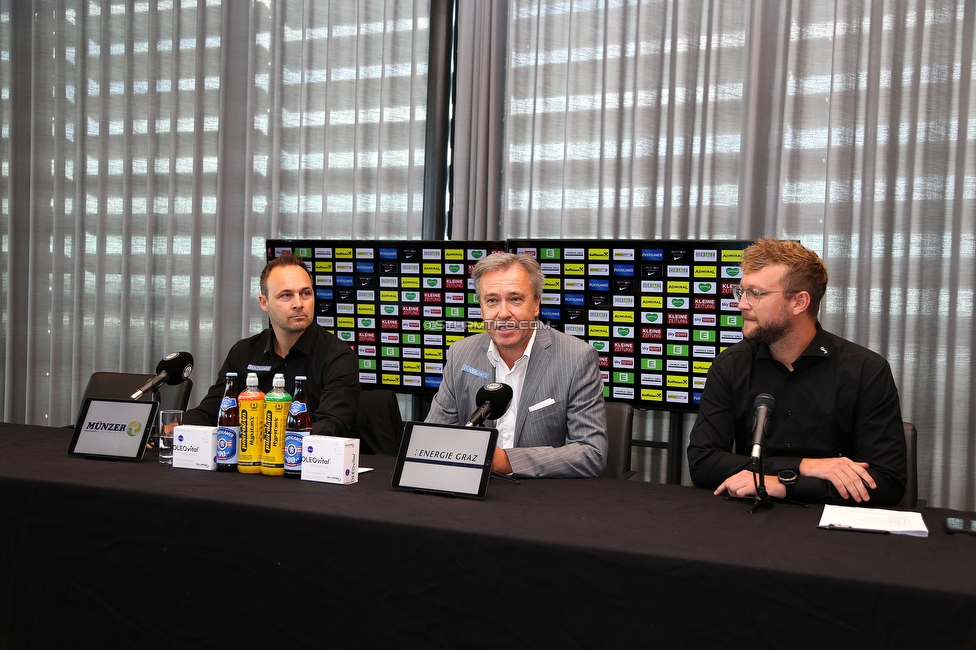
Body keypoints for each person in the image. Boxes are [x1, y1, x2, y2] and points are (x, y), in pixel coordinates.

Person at [687, 238, 907, 506]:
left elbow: (886, 482)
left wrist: (784, 485)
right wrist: (805, 466)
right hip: (751, 521)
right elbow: (703, 462)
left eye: (755, 293)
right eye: (741, 291)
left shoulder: (866, 371)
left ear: (799, 302)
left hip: (834, 529)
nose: (741, 304)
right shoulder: (730, 366)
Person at [425, 252, 607, 478]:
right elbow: (433, 437)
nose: (503, 313)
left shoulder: (576, 357)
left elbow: (591, 453)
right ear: (481, 309)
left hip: (540, 498)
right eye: (492, 300)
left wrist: (505, 461)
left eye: (515, 299)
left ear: (536, 305)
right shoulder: (461, 354)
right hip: (471, 491)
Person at [183, 253, 360, 438]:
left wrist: (269, 438)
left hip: (309, 461)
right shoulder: (243, 352)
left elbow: (332, 425)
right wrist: (173, 427)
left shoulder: (338, 357)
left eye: (305, 293)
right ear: (264, 302)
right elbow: (210, 412)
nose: (299, 304)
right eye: (286, 295)